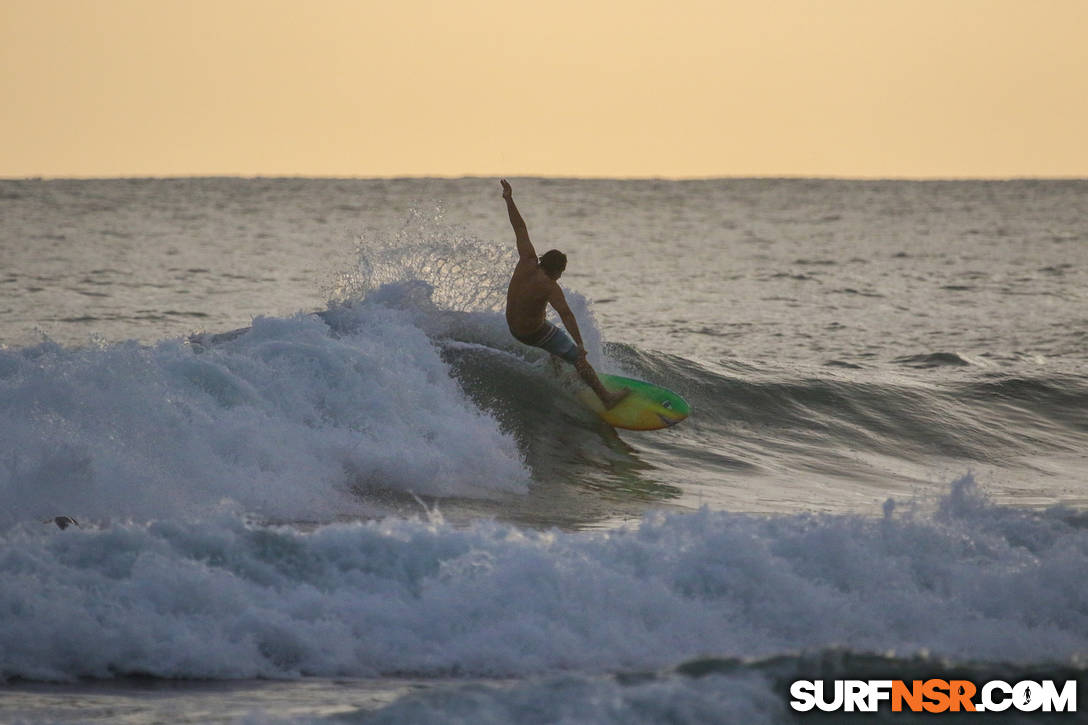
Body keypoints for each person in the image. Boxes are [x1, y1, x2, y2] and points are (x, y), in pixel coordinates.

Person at [500, 179, 628, 409]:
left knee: (553, 335)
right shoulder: (549, 286)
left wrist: (509, 199)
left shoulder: (527, 259)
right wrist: (579, 345)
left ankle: (557, 369)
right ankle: (606, 398)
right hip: (530, 333)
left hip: (512, 325)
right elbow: (567, 315)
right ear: (556, 270)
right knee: (576, 356)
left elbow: (520, 227)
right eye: (562, 271)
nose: (562, 276)